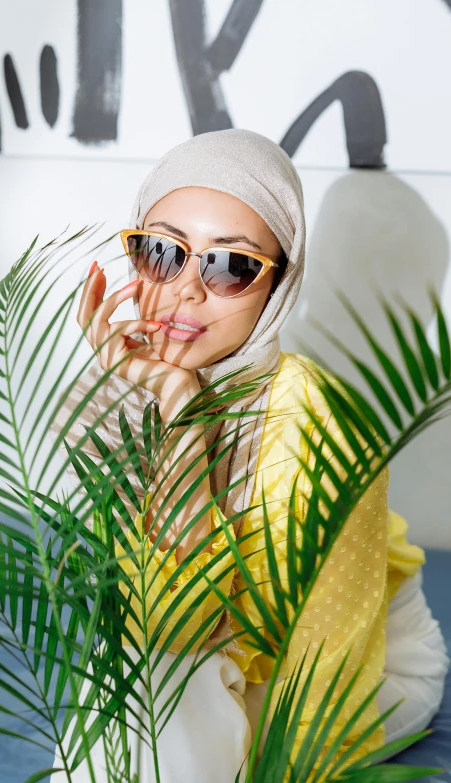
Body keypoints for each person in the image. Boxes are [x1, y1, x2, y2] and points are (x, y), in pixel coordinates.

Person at [49, 129, 449, 782]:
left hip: (359, 659)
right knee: (140, 697)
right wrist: (176, 408)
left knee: (160, 709)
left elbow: (324, 664)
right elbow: (163, 621)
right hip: (207, 647)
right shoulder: (115, 401)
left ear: (278, 285)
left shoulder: (320, 426)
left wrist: (182, 417)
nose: (183, 291)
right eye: (162, 252)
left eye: (231, 266)